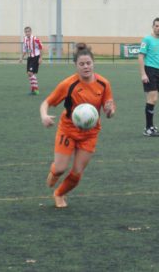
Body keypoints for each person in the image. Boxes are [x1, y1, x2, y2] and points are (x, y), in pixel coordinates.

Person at [40, 43, 115, 208]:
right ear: (76, 66)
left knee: (76, 173)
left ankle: (59, 194)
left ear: (93, 63)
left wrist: (109, 111)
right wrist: (44, 115)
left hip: (90, 134)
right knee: (60, 168)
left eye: (88, 63)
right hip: (68, 130)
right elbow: (46, 102)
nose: (86, 67)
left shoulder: (104, 84)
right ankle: (54, 172)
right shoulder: (68, 84)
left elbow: (109, 111)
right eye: (82, 64)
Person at [19, 26, 43, 95]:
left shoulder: (35, 39)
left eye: (28, 31)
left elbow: (41, 48)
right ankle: (33, 90)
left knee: (30, 73)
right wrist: (21, 58)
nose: (27, 33)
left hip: (35, 57)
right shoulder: (25, 39)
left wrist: (40, 58)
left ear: (31, 32)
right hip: (29, 58)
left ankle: (36, 90)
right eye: (26, 32)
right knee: (29, 74)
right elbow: (25, 50)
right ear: (25, 33)